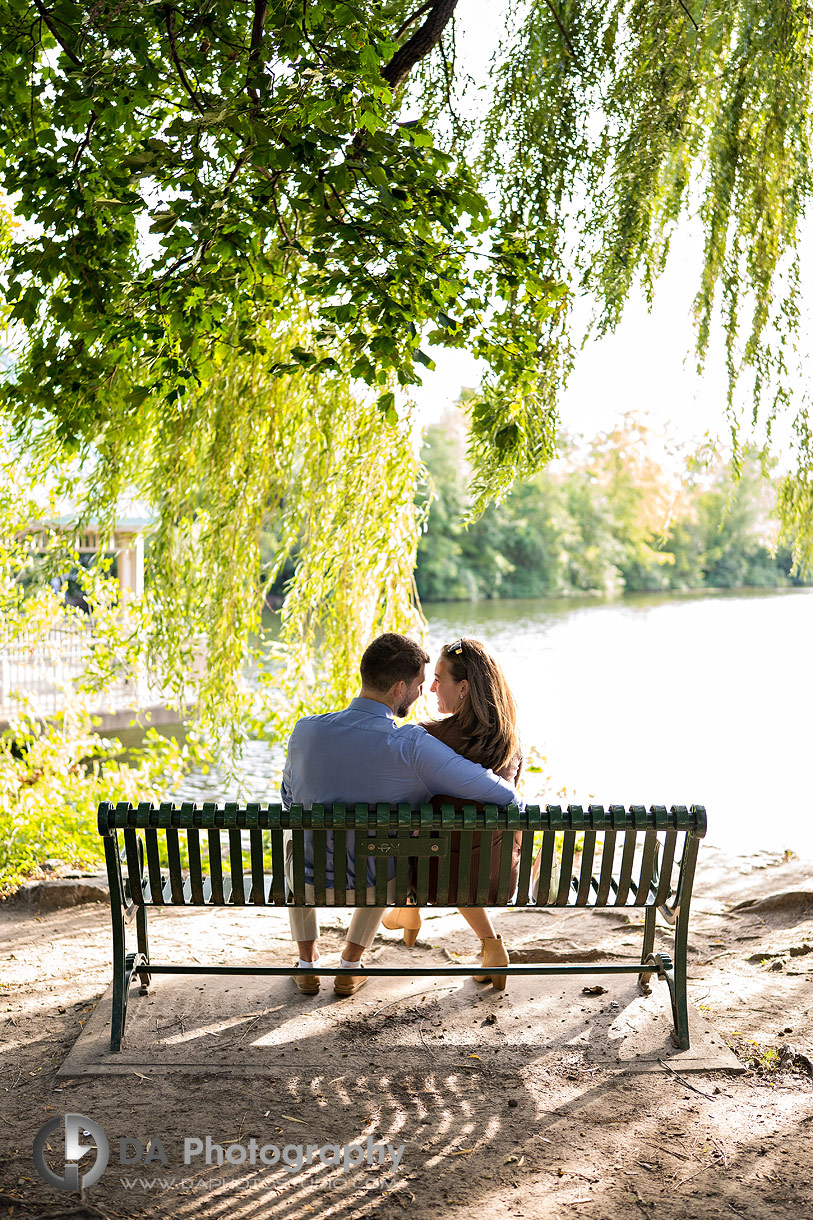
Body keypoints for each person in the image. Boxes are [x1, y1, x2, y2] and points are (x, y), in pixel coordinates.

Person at [281, 632, 519, 997]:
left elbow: (288, 797)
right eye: (421, 685)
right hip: (375, 884)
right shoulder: (412, 746)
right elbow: (500, 793)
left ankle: (308, 963)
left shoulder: (305, 730)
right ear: (400, 688)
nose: (423, 693)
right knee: (383, 845)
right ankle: (349, 964)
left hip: (308, 882)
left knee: (295, 832)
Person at [382, 637, 522, 989]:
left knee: (405, 831)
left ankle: (408, 905)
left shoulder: (426, 737)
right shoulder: (511, 743)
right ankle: (490, 946)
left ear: (463, 688)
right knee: (460, 849)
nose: (430, 687)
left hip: (435, 874)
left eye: (439, 678)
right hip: (497, 873)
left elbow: (403, 807)